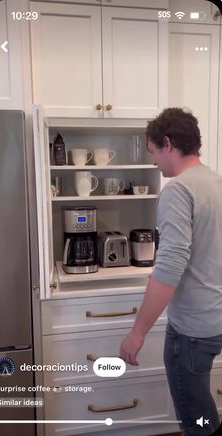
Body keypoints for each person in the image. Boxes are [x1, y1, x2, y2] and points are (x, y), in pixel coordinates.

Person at [120, 108, 222, 436]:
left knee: (196, 421)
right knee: (204, 412)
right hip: (217, 318)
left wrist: (137, 332)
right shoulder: (216, 183)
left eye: (152, 151)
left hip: (192, 330)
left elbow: (169, 268)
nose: (153, 162)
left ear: (167, 143)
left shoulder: (178, 191)